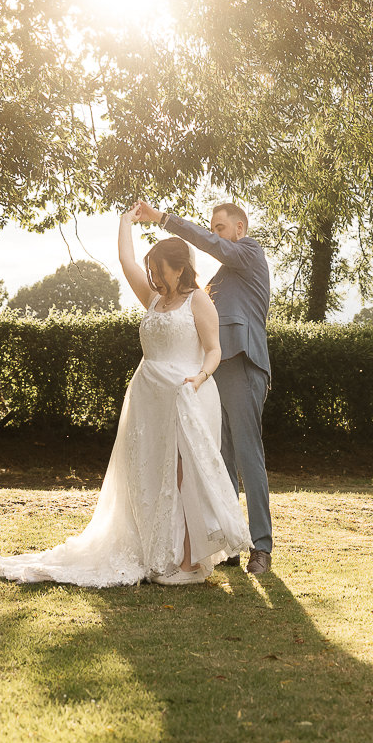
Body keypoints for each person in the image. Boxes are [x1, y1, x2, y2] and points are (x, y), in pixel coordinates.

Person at [0, 217, 251, 587]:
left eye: (160, 271)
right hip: (148, 396)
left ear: (180, 268)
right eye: (152, 272)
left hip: (186, 395)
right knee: (148, 473)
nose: (154, 279)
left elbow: (213, 350)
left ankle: (190, 564)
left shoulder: (199, 299)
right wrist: (126, 221)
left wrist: (200, 377)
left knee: (184, 475)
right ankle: (157, 553)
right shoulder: (154, 299)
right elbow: (126, 261)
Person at [129, 198, 273, 576]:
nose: (214, 235)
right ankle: (229, 542)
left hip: (241, 360)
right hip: (209, 374)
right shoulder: (215, 281)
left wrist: (162, 218)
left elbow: (211, 247)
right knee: (217, 456)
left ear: (240, 229)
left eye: (220, 228)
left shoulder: (249, 252)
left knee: (246, 453)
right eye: (212, 229)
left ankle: (262, 546)